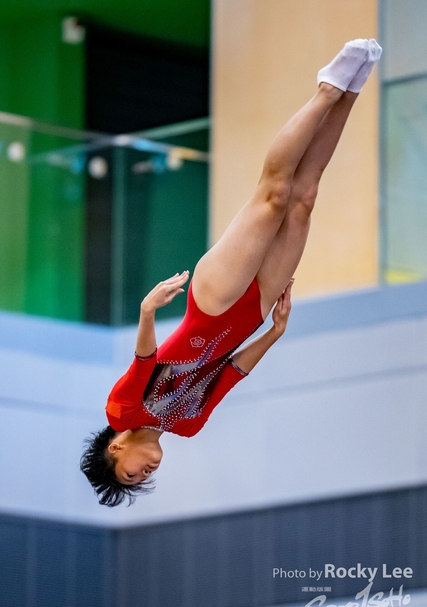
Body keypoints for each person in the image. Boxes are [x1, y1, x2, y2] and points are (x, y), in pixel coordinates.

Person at [81, 38, 382, 507]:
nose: (146, 473)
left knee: (274, 197)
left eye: (131, 474)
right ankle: (351, 91)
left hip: (212, 303)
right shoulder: (188, 425)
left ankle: (326, 89)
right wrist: (274, 333)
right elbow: (232, 371)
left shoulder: (122, 410)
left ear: (116, 448)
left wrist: (146, 312)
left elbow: (144, 362)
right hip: (251, 315)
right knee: (303, 200)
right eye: (142, 480)